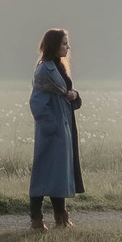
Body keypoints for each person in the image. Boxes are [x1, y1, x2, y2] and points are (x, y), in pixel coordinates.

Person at [28, 28, 84, 229]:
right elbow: (37, 103)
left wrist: (75, 95)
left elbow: (67, 94)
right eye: (64, 44)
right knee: (44, 175)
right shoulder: (44, 71)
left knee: (58, 175)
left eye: (67, 43)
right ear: (54, 45)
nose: (68, 47)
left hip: (63, 129)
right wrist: (53, 127)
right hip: (52, 132)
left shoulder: (59, 67)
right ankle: (36, 219)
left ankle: (61, 217)